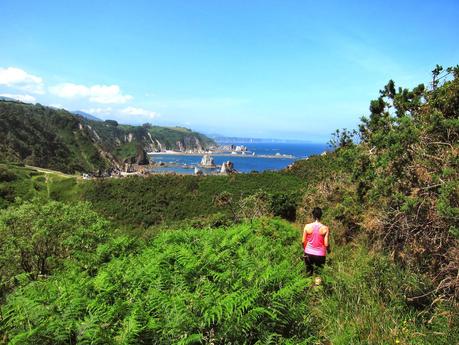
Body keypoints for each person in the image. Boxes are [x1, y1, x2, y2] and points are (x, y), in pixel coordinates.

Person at [302, 207, 329, 285]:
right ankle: (317, 291)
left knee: (308, 271)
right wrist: (329, 250)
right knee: (318, 273)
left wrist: (305, 250)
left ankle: (307, 288)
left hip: (308, 253)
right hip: (320, 255)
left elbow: (303, 241)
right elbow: (326, 244)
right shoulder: (325, 228)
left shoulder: (307, 226)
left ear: (313, 215)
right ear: (321, 216)